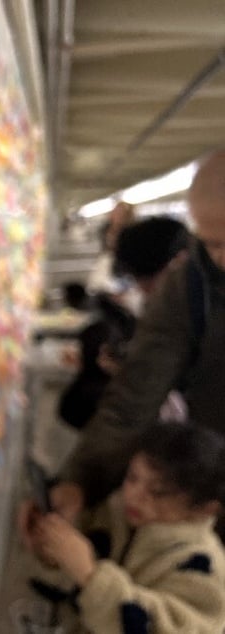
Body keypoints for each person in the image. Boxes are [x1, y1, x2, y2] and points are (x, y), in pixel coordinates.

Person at [51, 150, 225, 517]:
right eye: (211, 244)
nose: (220, 259)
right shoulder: (193, 283)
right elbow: (133, 399)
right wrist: (79, 482)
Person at [29, 424, 225, 633]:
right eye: (132, 477)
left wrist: (90, 576)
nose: (133, 496)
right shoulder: (120, 512)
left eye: (157, 492)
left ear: (204, 510)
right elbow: (77, 577)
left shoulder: (205, 571)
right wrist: (54, 552)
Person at [57, 217, 190, 429]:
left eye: (147, 281)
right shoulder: (163, 308)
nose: (144, 290)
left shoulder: (195, 317)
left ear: (179, 261)